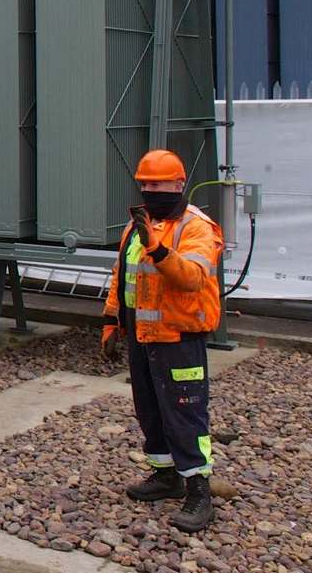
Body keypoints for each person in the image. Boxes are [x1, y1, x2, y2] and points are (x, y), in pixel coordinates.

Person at [101, 148, 224, 532]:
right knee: (150, 410)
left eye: (158, 184)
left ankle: (199, 490)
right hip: (142, 335)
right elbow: (123, 275)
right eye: (145, 184)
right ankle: (165, 475)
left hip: (179, 337)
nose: (151, 191)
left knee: (185, 413)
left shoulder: (196, 227)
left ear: (179, 183)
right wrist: (110, 321)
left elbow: (191, 278)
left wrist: (157, 248)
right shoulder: (137, 226)